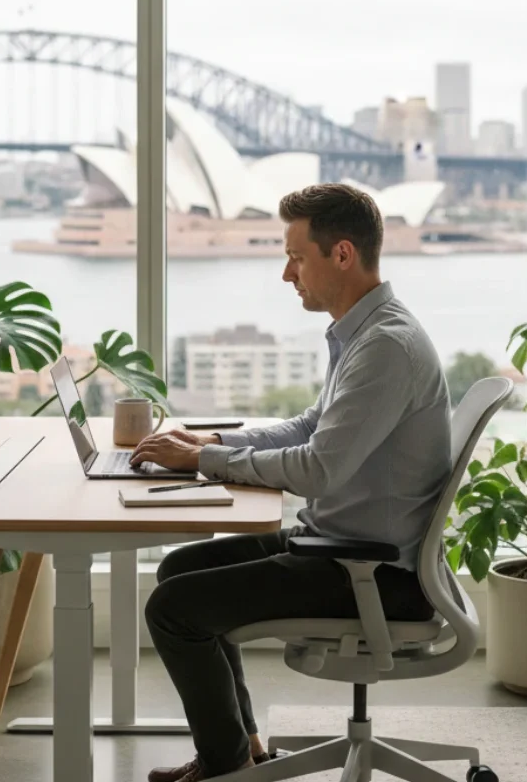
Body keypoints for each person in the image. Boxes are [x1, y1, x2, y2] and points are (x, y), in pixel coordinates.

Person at [130, 183, 451, 782]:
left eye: (296, 257)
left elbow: (316, 469)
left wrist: (202, 462)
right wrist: (212, 442)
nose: (286, 274)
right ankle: (245, 750)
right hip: (341, 547)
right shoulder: (366, 331)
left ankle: (225, 769)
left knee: (173, 609)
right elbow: (310, 427)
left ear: (342, 254)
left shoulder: (385, 347)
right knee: (178, 571)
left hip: (372, 573)